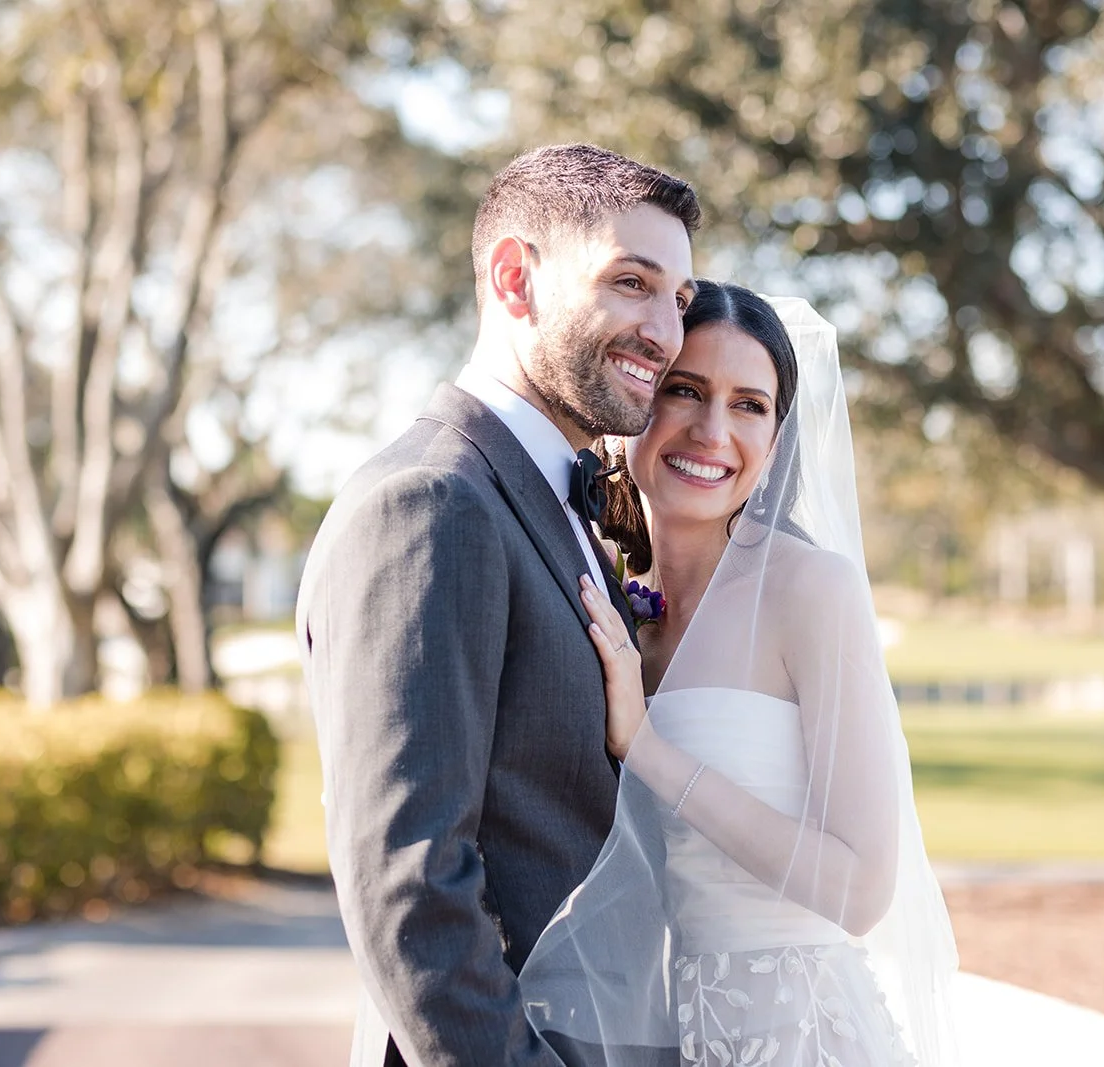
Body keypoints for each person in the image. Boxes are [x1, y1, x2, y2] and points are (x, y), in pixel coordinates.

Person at [295, 143, 699, 1067]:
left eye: (678, 299)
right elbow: (412, 885)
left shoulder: (549, 497)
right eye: (631, 282)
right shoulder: (431, 502)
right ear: (515, 278)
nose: (666, 333)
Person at [520, 284, 962, 1066]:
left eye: (748, 405)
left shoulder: (811, 590)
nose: (712, 431)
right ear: (633, 400)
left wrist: (649, 749)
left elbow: (861, 891)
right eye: (684, 390)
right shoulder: (608, 600)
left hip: (801, 1037)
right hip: (658, 1033)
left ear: (778, 439)